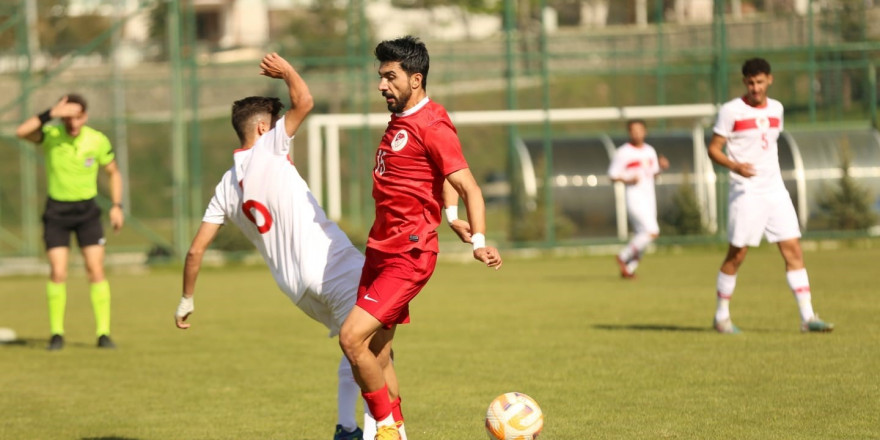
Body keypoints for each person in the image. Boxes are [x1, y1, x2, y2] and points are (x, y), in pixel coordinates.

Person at [173, 53, 366, 440]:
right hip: (332, 265)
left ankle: (348, 427)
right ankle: (374, 431)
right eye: (279, 126)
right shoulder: (269, 149)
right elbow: (305, 102)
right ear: (263, 129)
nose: (285, 131)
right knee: (376, 352)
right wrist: (288, 72)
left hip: (296, 290)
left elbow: (195, 251)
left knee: (356, 346)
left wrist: (186, 300)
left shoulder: (225, 187)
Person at [337, 36, 503, 440]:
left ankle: (387, 429)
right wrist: (448, 214)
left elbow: (468, 185)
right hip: (380, 249)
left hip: (409, 255)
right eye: (380, 76)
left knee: (351, 338)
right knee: (377, 351)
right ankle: (399, 433)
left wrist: (478, 239)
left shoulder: (432, 123)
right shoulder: (403, 119)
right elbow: (438, 176)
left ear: (416, 79)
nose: (381, 85)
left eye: (390, 77)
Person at [708, 57, 833, 334]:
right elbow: (714, 149)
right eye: (750, 83)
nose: (755, 88)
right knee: (737, 254)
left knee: (793, 250)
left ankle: (807, 317)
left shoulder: (777, 109)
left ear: (770, 80)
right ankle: (721, 317)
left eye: (760, 82)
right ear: (745, 83)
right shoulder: (731, 111)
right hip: (746, 192)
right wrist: (735, 166)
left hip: (775, 190)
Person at [15, 93, 124, 350]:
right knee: (58, 271)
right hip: (57, 213)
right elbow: (22, 131)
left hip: (87, 212)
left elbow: (113, 172)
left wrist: (117, 206)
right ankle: (56, 334)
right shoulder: (51, 136)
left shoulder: (96, 140)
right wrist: (51, 113)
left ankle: (103, 333)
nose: (73, 122)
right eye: (68, 116)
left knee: (95, 270)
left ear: (85, 116)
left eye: (78, 116)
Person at [608, 119, 669, 279]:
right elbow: (612, 175)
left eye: (639, 130)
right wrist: (627, 179)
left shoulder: (650, 151)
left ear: (645, 131)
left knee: (643, 235)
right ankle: (623, 256)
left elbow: (653, 174)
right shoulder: (623, 152)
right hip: (634, 197)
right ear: (629, 133)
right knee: (652, 232)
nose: (636, 133)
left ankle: (629, 268)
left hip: (649, 197)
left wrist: (661, 167)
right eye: (633, 130)